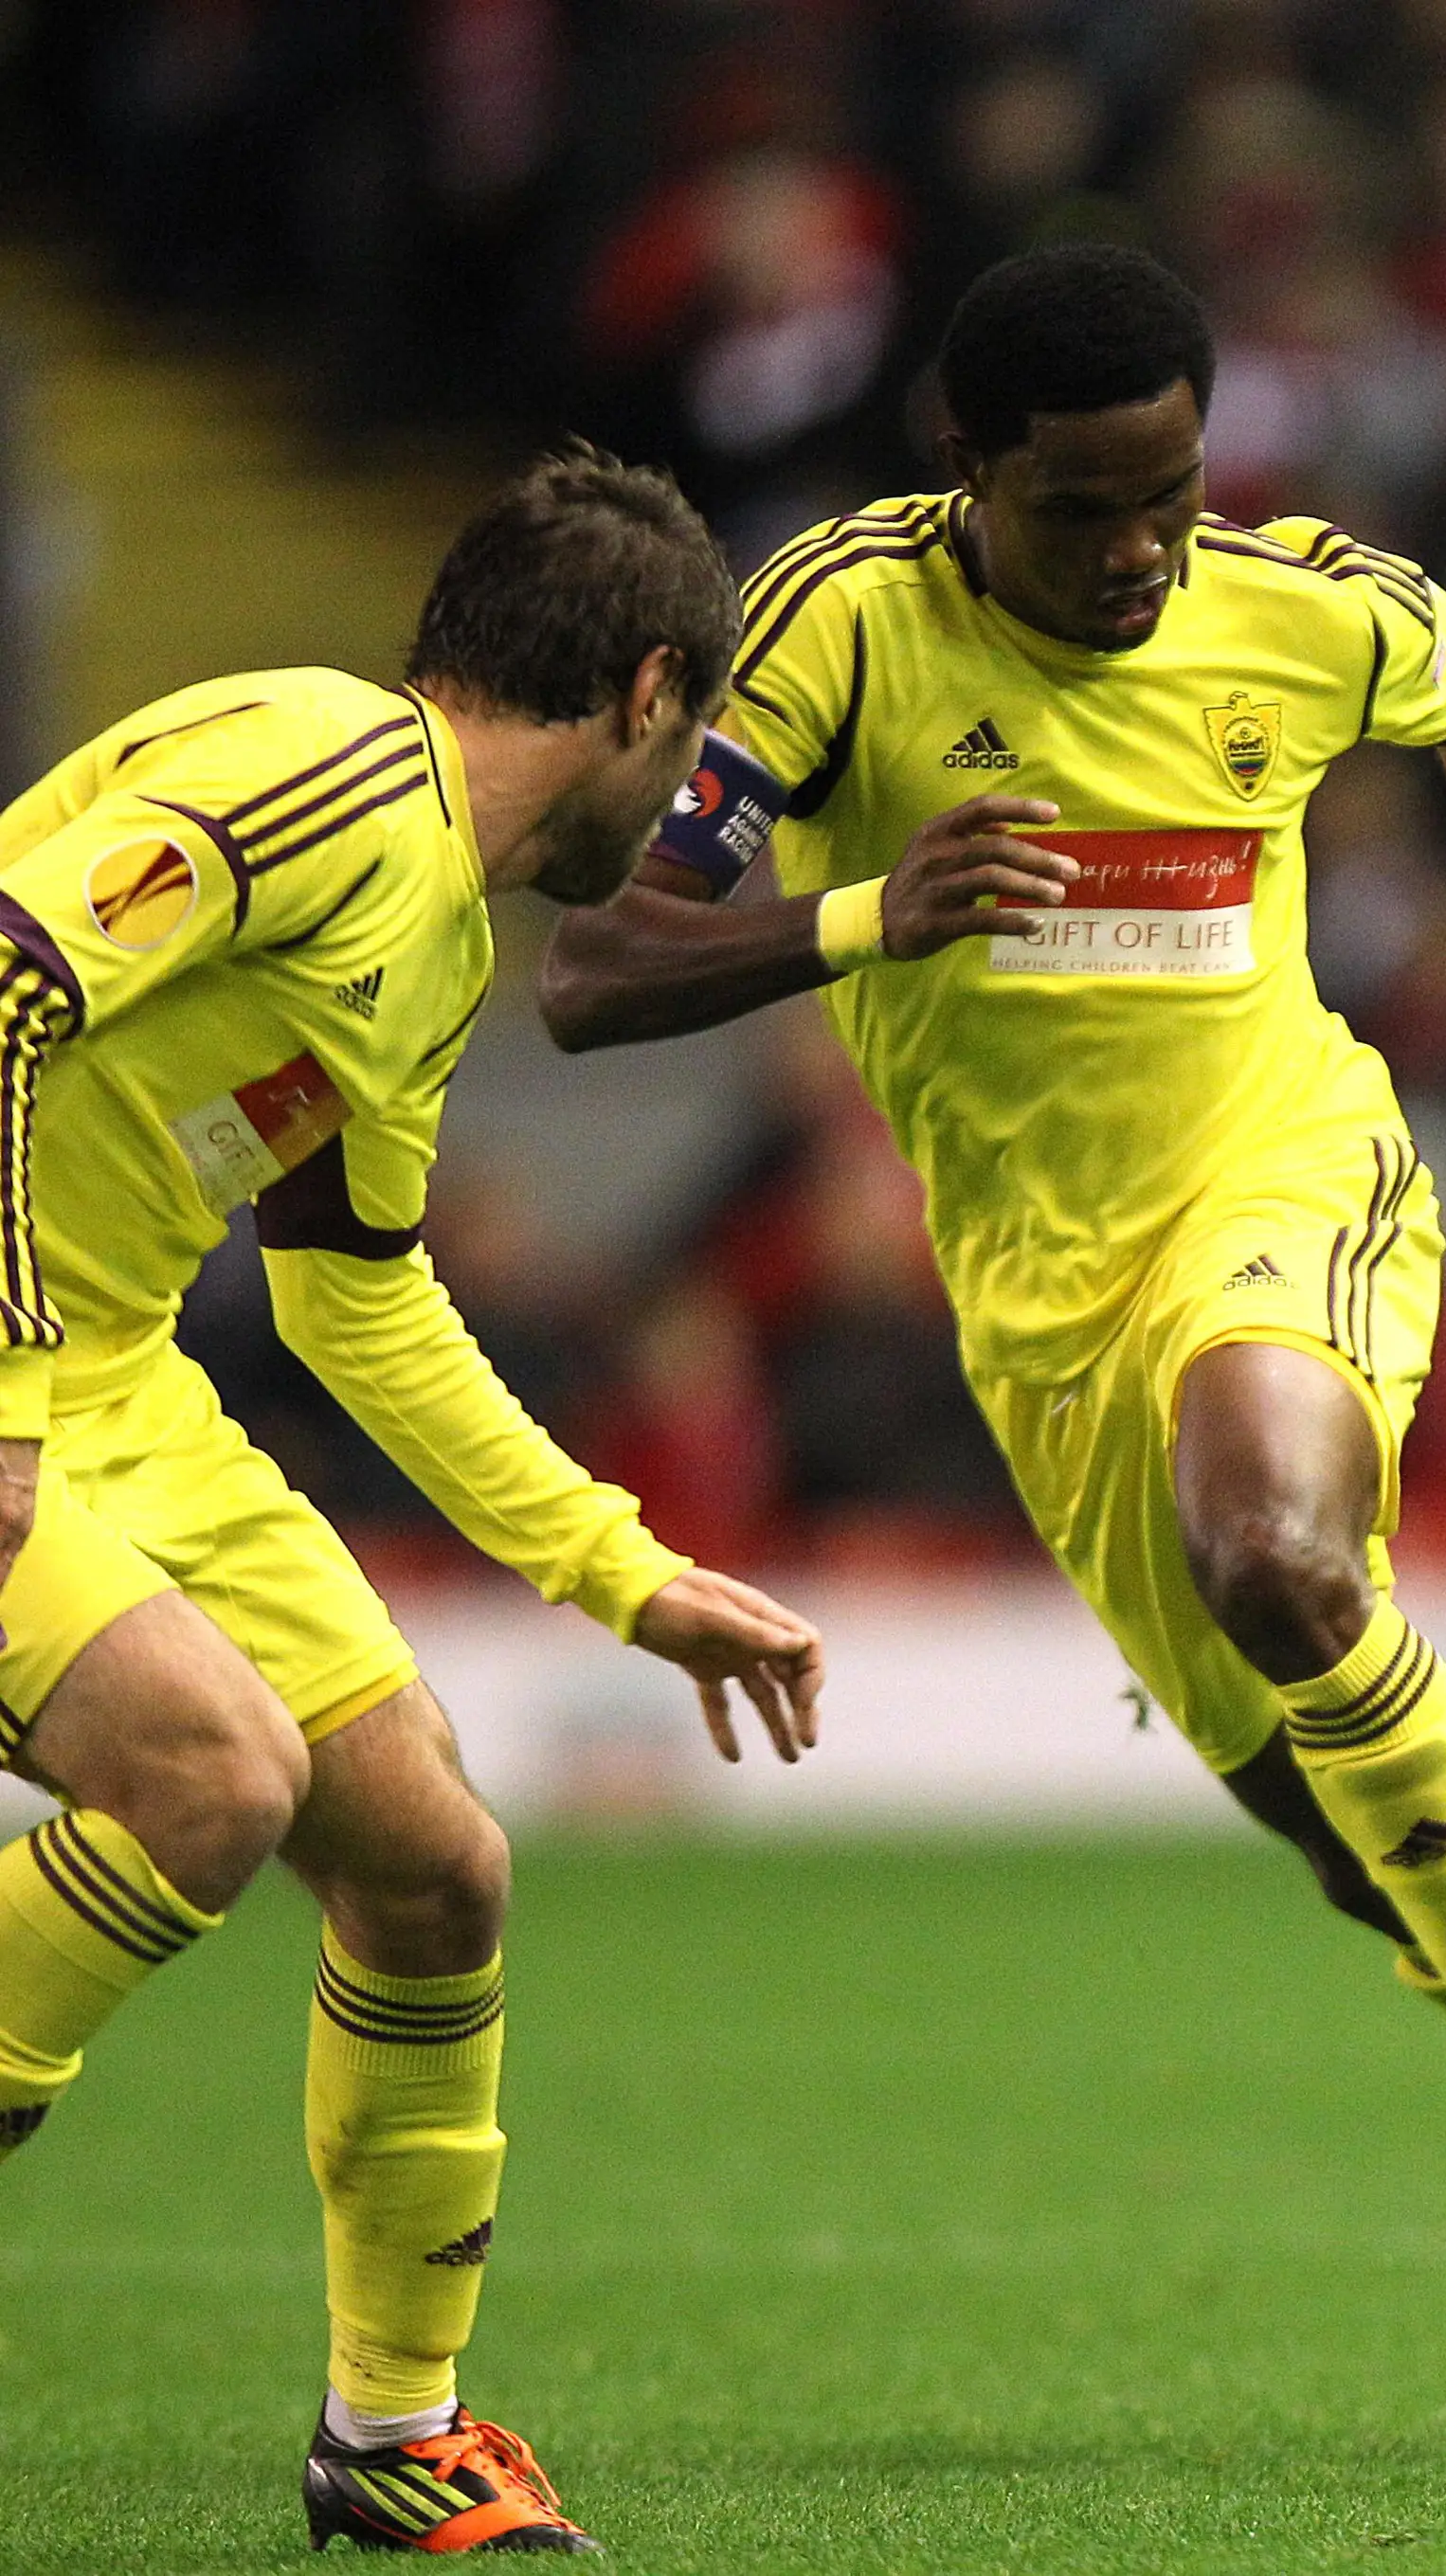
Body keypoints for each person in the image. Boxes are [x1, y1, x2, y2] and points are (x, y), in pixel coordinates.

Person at [535, 243, 1446, 2408]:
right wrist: (868, 910)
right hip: (1039, 1304)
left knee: (1284, 1558)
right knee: (1343, 1842)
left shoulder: (1297, 600)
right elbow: (596, 968)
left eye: (1174, 497)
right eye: (1085, 510)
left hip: (1289, 1172)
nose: (1142, 552)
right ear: (966, 472)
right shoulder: (839, 627)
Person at [0, 447, 828, 2552]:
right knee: (209, 1775)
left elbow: (358, 1301)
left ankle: (391, 2434)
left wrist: (626, 1574)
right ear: (649, 694)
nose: (692, 803)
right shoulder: (326, 771)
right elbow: (4, 978)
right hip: (14, 1356)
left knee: (436, 1858)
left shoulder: (433, 928)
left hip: (110, 1378)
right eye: (700, 739)